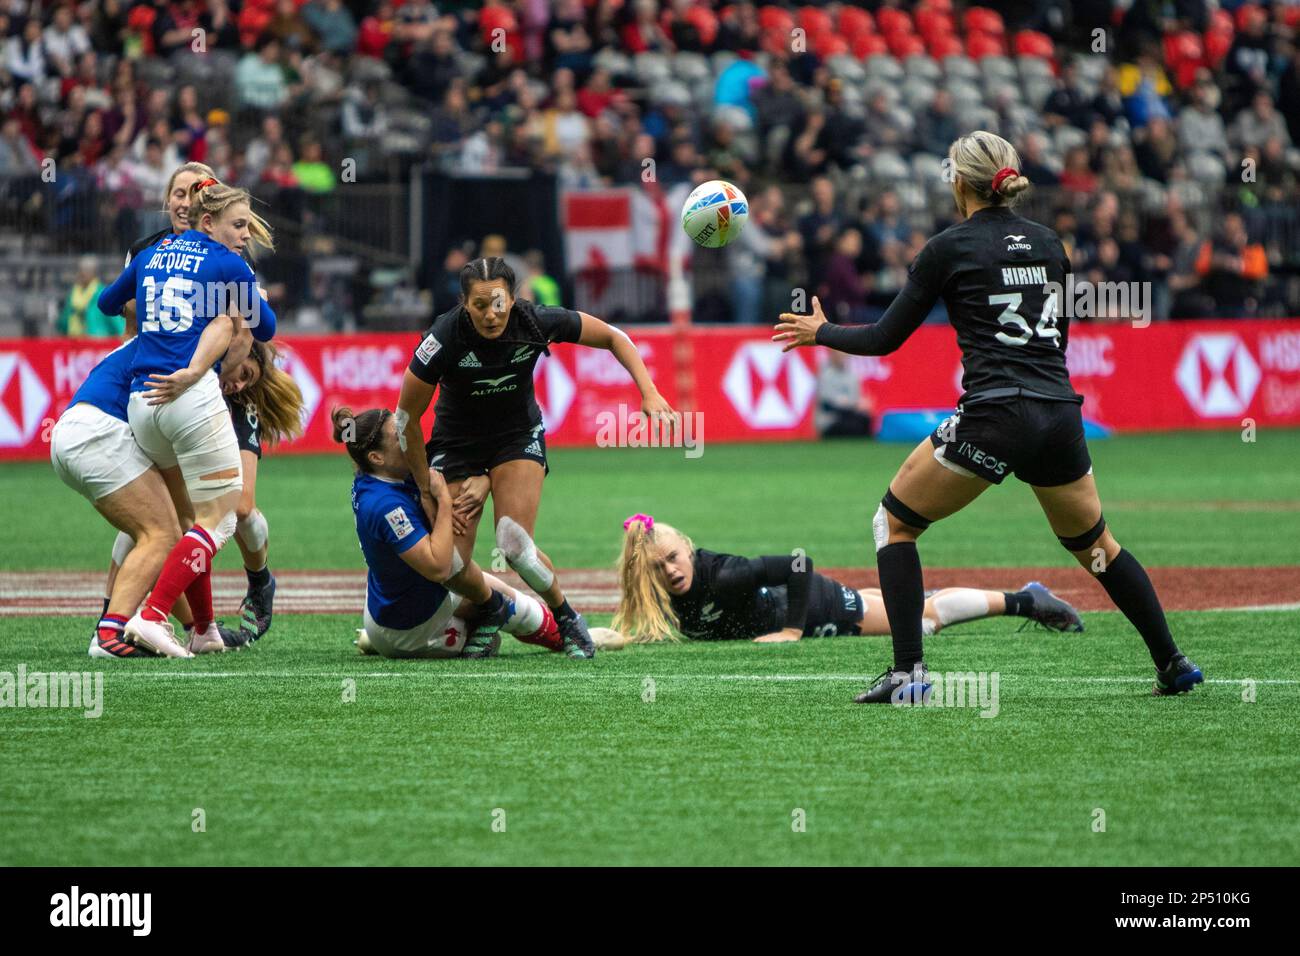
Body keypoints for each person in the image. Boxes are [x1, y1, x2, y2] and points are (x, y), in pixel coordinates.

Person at [774, 130, 1204, 703]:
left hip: (996, 414)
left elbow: (884, 338)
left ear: (958, 181)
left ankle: (908, 674)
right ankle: (1173, 662)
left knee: (893, 523)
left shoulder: (947, 249)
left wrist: (818, 331)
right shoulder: (1051, 244)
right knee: (1098, 546)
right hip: (1059, 414)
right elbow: (1057, 344)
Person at [397, 257, 678, 658]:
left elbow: (615, 336)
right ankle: (492, 608)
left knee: (514, 544)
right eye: (479, 305)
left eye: (499, 303)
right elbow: (405, 418)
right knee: (450, 567)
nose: (491, 315)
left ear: (513, 299)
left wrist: (648, 391)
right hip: (456, 445)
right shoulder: (443, 338)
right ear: (463, 303)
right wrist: (426, 485)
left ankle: (565, 616)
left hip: (516, 437)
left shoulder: (536, 321)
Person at [97, 178, 277, 658]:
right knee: (219, 519)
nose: (245, 234)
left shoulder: (151, 253)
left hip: (142, 401)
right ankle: (152, 616)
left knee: (185, 516)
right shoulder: (226, 262)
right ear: (210, 222)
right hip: (190, 398)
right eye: (238, 225)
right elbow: (266, 327)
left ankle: (203, 629)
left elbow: (107, 304)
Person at [50, 317, 236, 658]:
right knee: (160, 536)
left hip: (74, 433)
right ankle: (110, 631)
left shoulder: (154, 339)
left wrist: (198, 625)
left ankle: (126, 623)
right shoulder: (182, 347)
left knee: (155, 536)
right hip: (99, 433)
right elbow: (235, 332)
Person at [608, 514, 1082, 646]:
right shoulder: (662, 593)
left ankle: (1026, 600)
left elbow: (798, 563)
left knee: (921, 620)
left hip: (820, 607)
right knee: (913, 604)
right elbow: (633, 627)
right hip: (807, 604)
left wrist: (793, 630)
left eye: (672, 558)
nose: (669, 571)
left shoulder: (726, 576)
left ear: (687, 547)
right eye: (656, 567)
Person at [332, 406, 568, 659]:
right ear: (377, 458)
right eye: (397, 434)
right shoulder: (385, 506)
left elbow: (461, 467)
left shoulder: (391, 471)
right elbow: (439, 568)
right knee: (494, 635)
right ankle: (382, 641)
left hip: (402, 601)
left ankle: (567, 633)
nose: (409, 435)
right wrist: (444, 500)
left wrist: (485, 480)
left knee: (510, 605)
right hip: (410, 630)